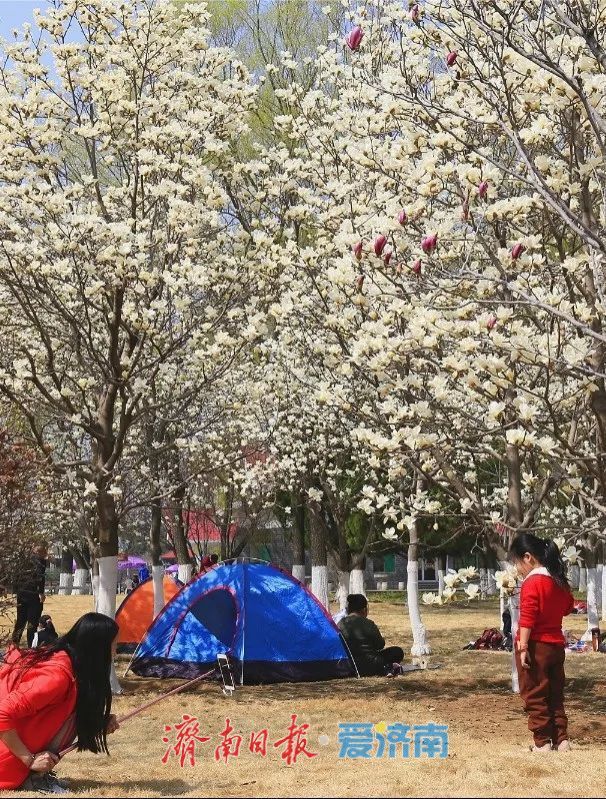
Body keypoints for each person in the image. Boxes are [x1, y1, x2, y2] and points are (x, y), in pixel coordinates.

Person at [0, 612, 120, 792]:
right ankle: (33, 777)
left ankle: (35, 775)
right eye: (113, 645)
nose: (115, 652)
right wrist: (29, 760)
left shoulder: (67, 660)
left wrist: (99, 722)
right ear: (98, 648)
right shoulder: (57, 677)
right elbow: (2, 713)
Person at [509, 533, 575, 753]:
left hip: (536, 646)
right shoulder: (557, 580)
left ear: (528, 557)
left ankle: (542, 743)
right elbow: (568, 607)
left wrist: (523, 647)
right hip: (556, 646)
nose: (518, 569)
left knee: (535, 694)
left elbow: (528, 617)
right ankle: (561, 740)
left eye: (517, 562)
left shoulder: (532, 582)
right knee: (555, 694)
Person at [338, 594, 404, 677]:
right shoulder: (369, 623)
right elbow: (380, 645)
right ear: (364, 609)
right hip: (374, 664)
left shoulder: (340, 624)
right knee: (397, 651)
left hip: (351, 665)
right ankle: (386, 667)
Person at [11, 544, 48, 648]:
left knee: (20, 621)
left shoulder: (22, 561)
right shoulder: (40, 561)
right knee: (32, 622)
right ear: (41, 552)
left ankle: (14, 645)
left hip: (21, 593)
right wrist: (41, 592)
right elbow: (40, 577)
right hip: (33, 594)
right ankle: (31, 646)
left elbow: (15, 576)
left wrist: (15, 592)